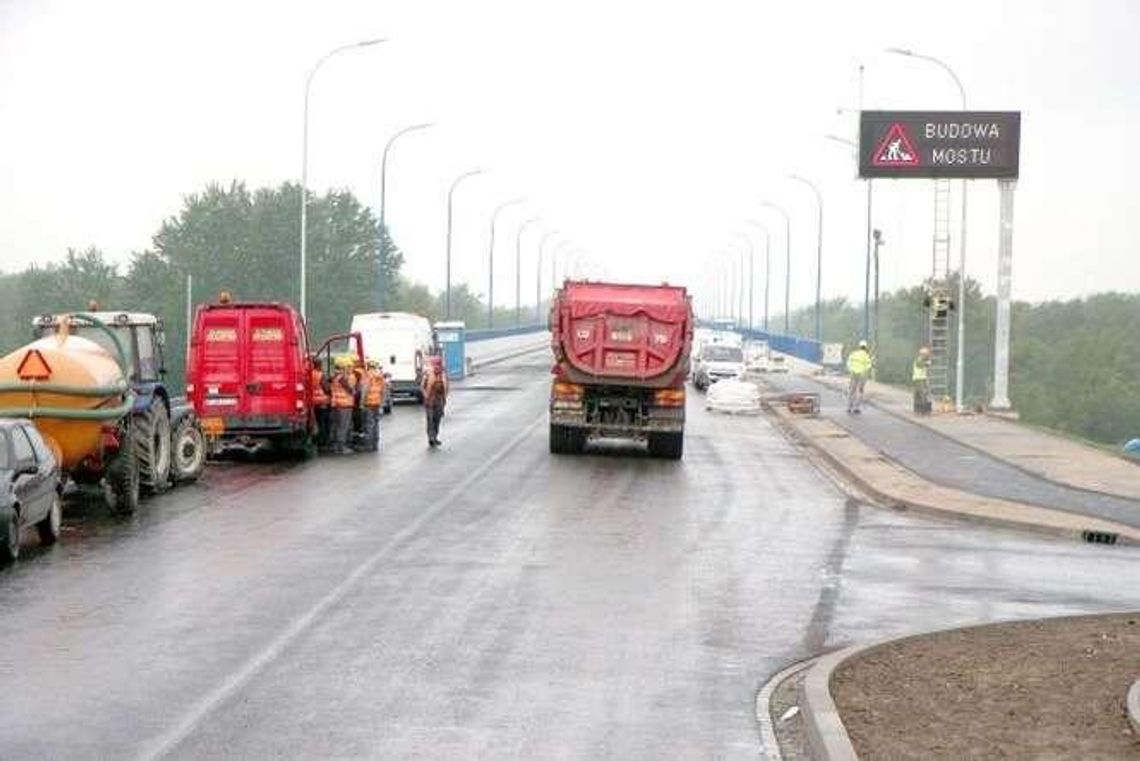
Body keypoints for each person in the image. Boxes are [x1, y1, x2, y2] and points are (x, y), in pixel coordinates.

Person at [329, 354, 356, 454]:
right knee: (343, 426)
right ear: (343, 367)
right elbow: (350, 390)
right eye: (348, 367)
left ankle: (335, 446)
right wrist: (353, 390)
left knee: (337, 425)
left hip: (337, 404)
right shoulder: (342, 378)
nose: (350, 369)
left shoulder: (335, 376)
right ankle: (342, 447)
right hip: (344, 404)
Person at [421, 355, 448, 447]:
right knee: (430, 420)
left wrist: (444, 400)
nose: (437, 366)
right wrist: (426, 396)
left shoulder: (443, 375)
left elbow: (446, 388)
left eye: (439, 364)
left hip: (439, 400)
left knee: (437, 419)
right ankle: (431, 438)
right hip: (430, 400)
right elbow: (422, 387)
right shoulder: (428, 374)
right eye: (436, 364)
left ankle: (435, 436)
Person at [360, 358, 386, 453]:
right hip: (377, 402)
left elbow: (365, 390)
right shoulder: (380, 376)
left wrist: (362, 402)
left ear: (368, 366)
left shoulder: (368, 376)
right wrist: (382, 402)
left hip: (369, 402)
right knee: (376, 423)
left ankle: (369, 445)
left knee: (369, 424)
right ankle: (375, 444)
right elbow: (383, 391)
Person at [310, 354, 331, 452]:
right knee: (323, 423)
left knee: (317, 422)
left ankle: (316, 441)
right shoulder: (321, 374)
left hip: (313, 400)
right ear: (319, 365)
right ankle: (323, 443)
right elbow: (326, 388)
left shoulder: (310, 373)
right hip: (322, 401)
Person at [845, 340, 873, 414]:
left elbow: (848, 362)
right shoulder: (866, 356)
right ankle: (856, 408)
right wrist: (866, 374)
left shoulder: (854, 353)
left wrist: (850, 370)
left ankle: (849, 407)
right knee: (860, 391)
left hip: (853, 374)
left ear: (859, 346)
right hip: (862, 375)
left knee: (852, 390)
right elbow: (869, 366)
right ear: (866, 347)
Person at [912, 346, 932, 415]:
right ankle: (924, 410)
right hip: (919, 379)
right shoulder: (919, 360)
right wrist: (928, 363)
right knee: (923, 394)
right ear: (922, 354)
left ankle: (918, 410)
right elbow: (921, 365)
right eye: (926, 354)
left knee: (919, 394)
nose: (927, 356)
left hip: (921, 378)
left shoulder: (923, 360)